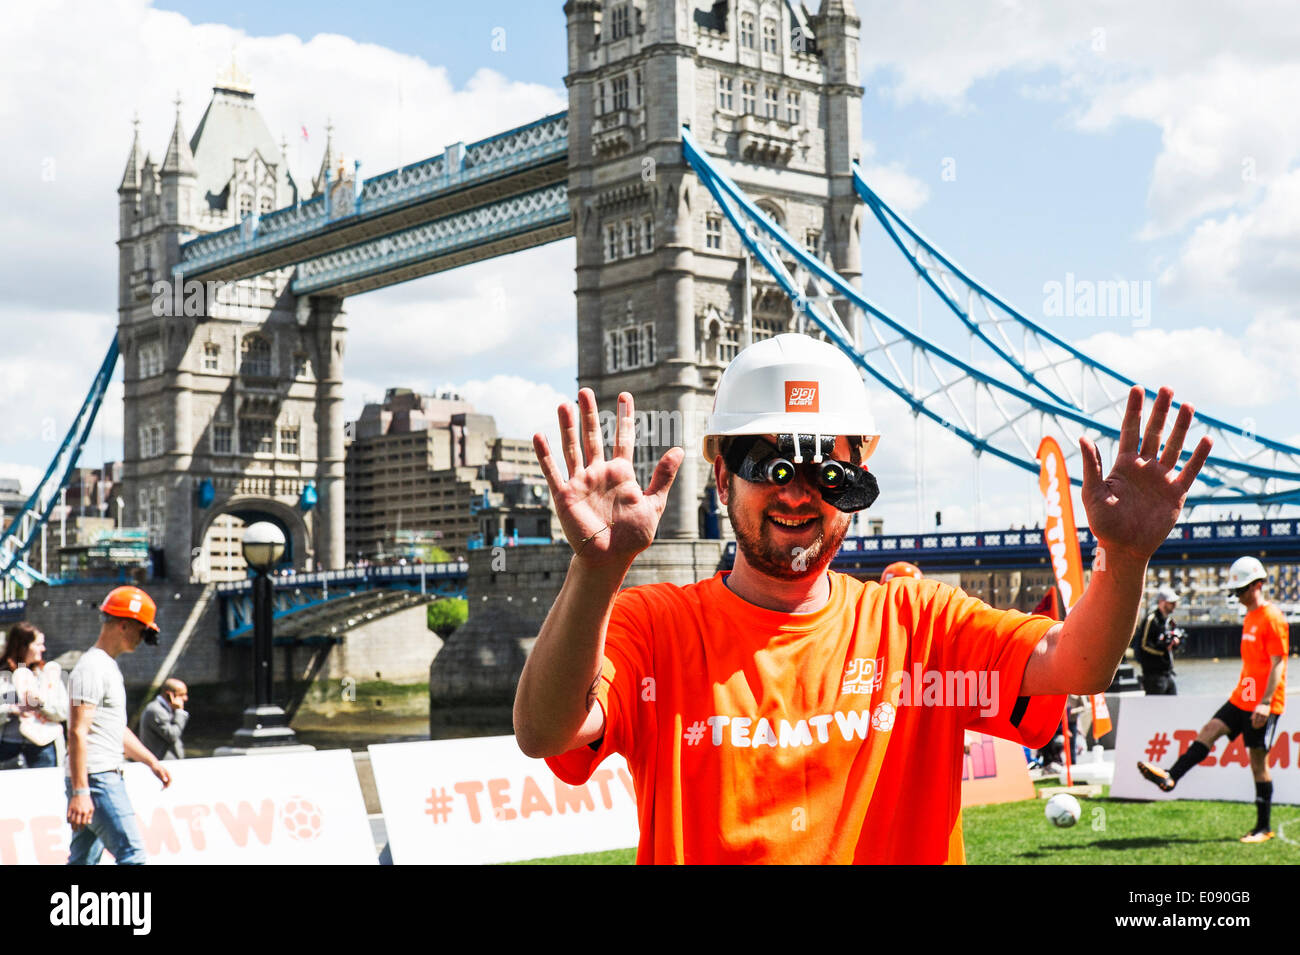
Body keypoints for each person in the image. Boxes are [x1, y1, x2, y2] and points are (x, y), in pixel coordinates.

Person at [514, 333, 1211, 864]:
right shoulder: (654, 626)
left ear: (859, 474)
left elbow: (1074, 664)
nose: (797, 492)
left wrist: (1122, 558)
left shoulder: (917, 623)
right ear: (721, 473)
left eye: (826, 469)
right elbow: (545, 732)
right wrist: (596, 573)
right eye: (770, 463)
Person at [1137, 555, 1287, 843]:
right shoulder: (1250, 617)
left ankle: (1263, 828)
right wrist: (1243, 697)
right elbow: (1252, 667)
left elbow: (1278, 664)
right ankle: (1171, 777)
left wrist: (1265, 703)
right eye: (1236, 592)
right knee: (1210, 730)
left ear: (1258, 585)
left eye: (1241, 590)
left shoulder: (1273, 618)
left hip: (1264, 704)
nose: (1239, 597)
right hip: (1242, 699)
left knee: (1258, 763)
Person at [66, 586, 173, 865]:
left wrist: (151, 761)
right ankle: (130, 909)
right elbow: (77, 731)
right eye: (142, 631)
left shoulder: (105, 666)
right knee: (132, 855)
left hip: (96, 777)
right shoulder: (92, 668)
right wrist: (80, 791)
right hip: (98, 778)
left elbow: (113, 729)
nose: (143, 639)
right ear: (124, 625)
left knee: (83, 862)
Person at [0, 623, 68, 768]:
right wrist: (11, 709)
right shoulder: (3, 676)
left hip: (43, 747)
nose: (43, 649)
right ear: (23, 646)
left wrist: (42, 704)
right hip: (7, 747)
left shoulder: (48, 675)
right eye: (38, 644)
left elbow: (64, 711)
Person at [1135, 584, 1182, 695]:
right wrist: (1164, 650)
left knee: (1173, 706)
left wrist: (1175, 643)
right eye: (1171, 602)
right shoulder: (1152, 619)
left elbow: (1173, 641)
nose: (1174, 605)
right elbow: (1144, 645)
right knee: (1155, 708)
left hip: (1167, 673)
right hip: (1153, 675)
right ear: (1162, 602)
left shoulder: (1169, 621)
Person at [138, 678, 189, 761]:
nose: (185, 698)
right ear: (169, 695)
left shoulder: (171, 708)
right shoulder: (155, 710)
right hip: (160, 763)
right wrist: (180, 712)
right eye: (181, 695)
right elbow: (172, 735)